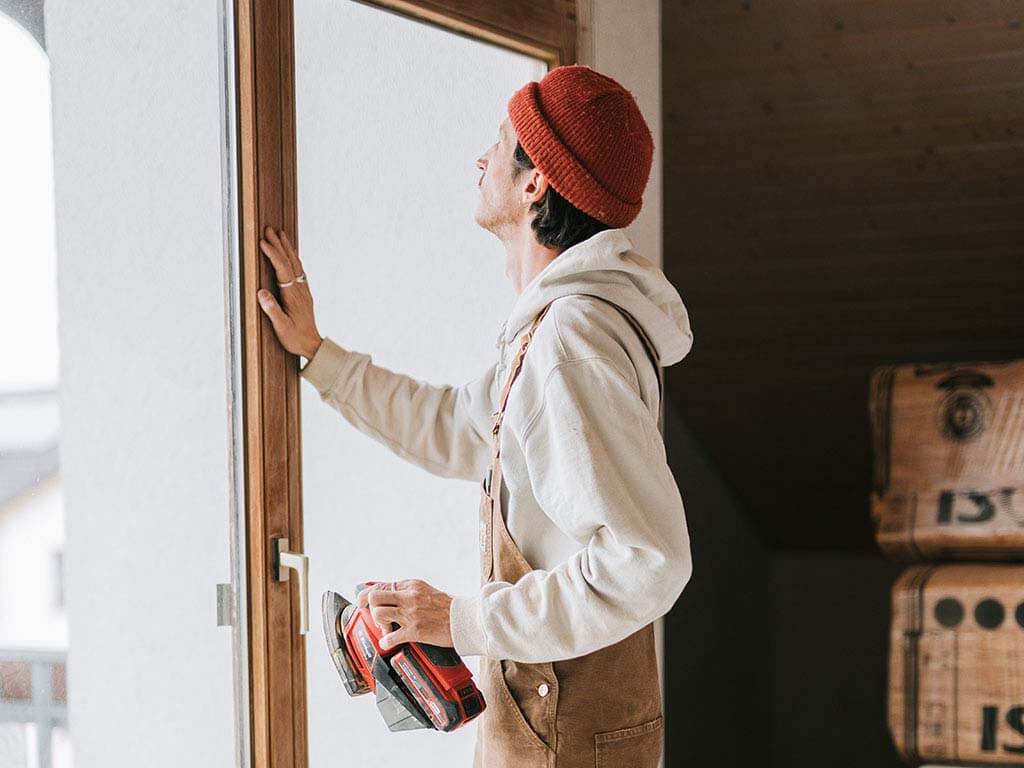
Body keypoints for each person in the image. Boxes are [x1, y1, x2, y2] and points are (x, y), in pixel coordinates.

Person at [256, 64, 694, 768]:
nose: (481, 158)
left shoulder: (571, 342)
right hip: (555, 725)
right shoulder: (556, 331)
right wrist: (318, 354)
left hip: (564, 737)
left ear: (535, 182)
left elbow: (646, 562)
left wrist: (459, 619)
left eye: (499, 142)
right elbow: (454, 427)